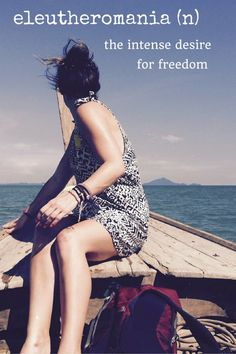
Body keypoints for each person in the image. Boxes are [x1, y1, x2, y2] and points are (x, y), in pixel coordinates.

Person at [3, 39, 150, 354]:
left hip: (125, 219)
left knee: (69, 240)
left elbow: (115, 166)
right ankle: (38, 339)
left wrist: (75, 195)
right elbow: (57, 178)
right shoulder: (81, 128)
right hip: (99, 216)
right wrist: (29, 215)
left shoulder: (88, 110)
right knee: (45, 225)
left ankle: (69, 347)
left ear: (61, 91)